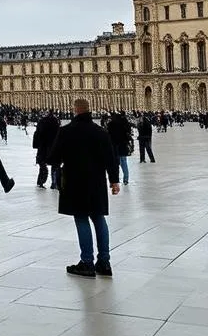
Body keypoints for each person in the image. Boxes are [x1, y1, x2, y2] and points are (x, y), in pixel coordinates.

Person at [50, 99, 120, 278]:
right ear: (89, 111)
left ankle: (87, 263)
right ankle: (104, 262)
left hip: (74, 181)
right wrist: (114, 181)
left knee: (81, 218)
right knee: (98, 218)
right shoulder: (101, 132)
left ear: (75, 110)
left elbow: (54, 158)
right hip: (96, 181)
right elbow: (111, 158)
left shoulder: (66, 131)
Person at [33, 111, 60, 188]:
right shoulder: (55, 122)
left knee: (43, 165)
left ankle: (41, 181)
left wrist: (36, 145)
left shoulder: (42, 122)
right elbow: (58, 135)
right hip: (53, 146)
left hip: (43, 147)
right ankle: (54, 183)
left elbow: (37, 134)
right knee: (55, 165)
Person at [107, 111, 134, 185]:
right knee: (124, 163)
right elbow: (128, 134)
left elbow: (109, 136)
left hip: (115, 146)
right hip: (123, 145)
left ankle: (116, 180)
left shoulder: (111, 125)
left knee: (115, 164)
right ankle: (125, 179)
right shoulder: (124, 124)